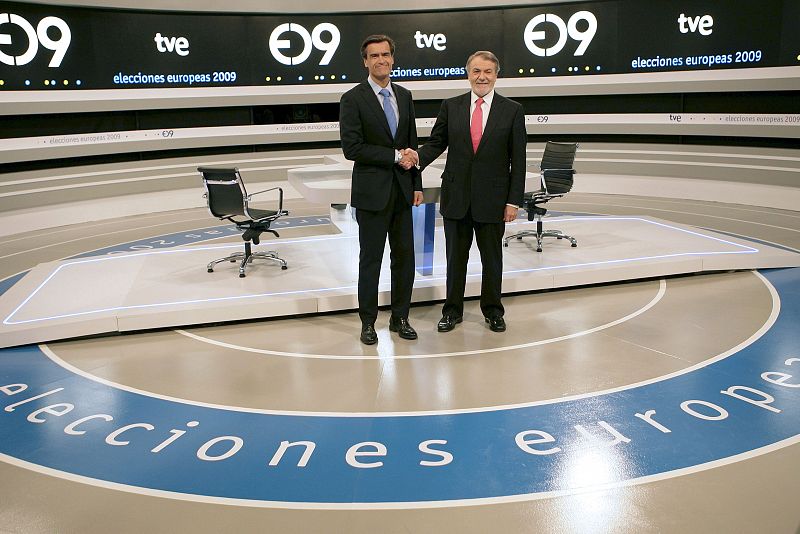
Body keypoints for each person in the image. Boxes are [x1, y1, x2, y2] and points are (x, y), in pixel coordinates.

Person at [411, 50, 526, 333]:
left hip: (493, 200)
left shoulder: (512, 110)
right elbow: (436, 143)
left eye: (487, 71)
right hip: (457, 198)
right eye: (476, 71)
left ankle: (493, 311)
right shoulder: (451, 106)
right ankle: (452, 311)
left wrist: (513, 201)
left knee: (492, 260)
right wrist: (414, 159)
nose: (481, 77)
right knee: (455, 261)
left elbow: (519, 160)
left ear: (496, 75)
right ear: (468, 74)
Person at [339, 35, 424, 345]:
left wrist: (416, 184)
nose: (381, 60)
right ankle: (368, 322)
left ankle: (400, 317)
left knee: (404, 259)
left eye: (385, 54)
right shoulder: (352, 98)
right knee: (371, 260)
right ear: (365, 61)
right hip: (372, 195)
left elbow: (411, 144)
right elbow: (352, 148)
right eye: (374, 55)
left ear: (393, 59)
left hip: (402, 191)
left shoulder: (404, 95)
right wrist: (394, 156)